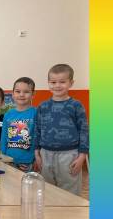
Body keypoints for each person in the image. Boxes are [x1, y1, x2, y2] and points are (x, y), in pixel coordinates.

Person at [34, 64, 89, 195]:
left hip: (69, 155)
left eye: (62, 82)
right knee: (48, 191)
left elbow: (84, 130)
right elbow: (37, 129)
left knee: (70, 193)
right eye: (53, 82)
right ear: (48, 83)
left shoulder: (76, 105)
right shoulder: (42, 106)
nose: (57, 85)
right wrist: (37, 154)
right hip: (45, 154)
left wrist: (82, 156)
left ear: (71, 83)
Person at [0, 77, 37, 172]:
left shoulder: (36, 113)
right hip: (9, 161)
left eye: (26, 92)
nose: (21, 94)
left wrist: (36, 159)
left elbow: (39, 138)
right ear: (13, 94)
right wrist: (2, 157)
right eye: (18, 91)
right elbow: (4, 138)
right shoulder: (8, 114)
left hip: (28, 162)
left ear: (33, 94)